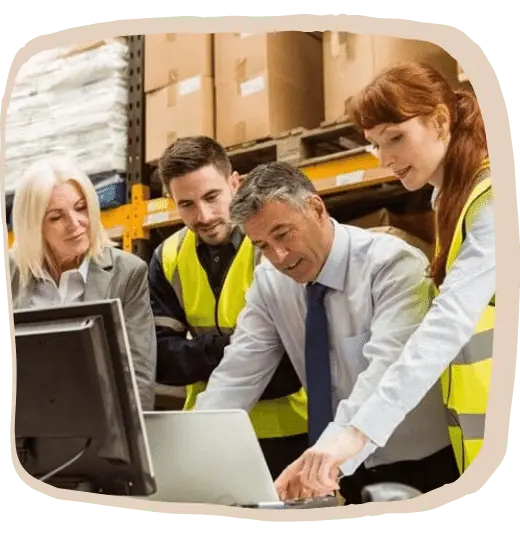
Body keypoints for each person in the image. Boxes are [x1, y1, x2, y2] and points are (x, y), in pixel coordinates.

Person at [283, 61, 495, 495]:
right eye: (376, 144)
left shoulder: (492, 199)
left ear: (439, 120)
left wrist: (357, 436)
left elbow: (447, 323)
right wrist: (338, 445)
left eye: (395, 138)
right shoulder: (453, 201)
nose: (384, 158)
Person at [193, 161, 460, 504]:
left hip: (422, 468)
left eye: (283, 234)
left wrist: (328, 454)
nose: (279, 256)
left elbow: (385, 374)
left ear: (316, 209)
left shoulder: (393, 266)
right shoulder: (271, 283)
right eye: (262, 245)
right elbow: (238, 373)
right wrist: (193, 451)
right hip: (339, 470)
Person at [148, 136, 309, 479]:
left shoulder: (270, 247)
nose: (203, 215)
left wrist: (196, 355)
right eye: (186, 204)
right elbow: (160, 361)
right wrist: (239, 348)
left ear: (235, 183)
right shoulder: (168, 258)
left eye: (211, 197)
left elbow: (289, 366)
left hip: (290, 433)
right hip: (211, 431)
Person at [9, 156, 157, 411]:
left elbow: (137, 374)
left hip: (99, 424)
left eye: (81, 207)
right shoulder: (6, 274)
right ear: (34, 227)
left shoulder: (128, 273)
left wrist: (128, 445)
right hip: (21, 425)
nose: (75, 224)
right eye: (56, 217)